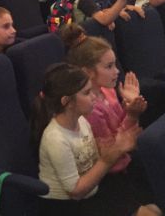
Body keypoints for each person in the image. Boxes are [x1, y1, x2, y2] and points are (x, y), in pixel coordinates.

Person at [32, 63, 154, 216]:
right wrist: (110, 156)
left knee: (154, 208)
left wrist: (115, 145)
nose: (94, 97)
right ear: (66, 102)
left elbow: (92, 157)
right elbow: (75, 192)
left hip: (93, 188)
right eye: (87, 93)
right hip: (68, 206)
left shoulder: (81, 120)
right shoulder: (56, 139)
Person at [61, 24, 148, 177]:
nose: (117, 71)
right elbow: (113, 152)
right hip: (114, 171)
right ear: (88, 72)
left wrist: (129, 106)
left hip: (127, 156)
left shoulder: (107, 90)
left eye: (115, 64)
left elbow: (124, 129)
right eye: (109, 66)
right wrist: (132, 115)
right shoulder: (90, 109)